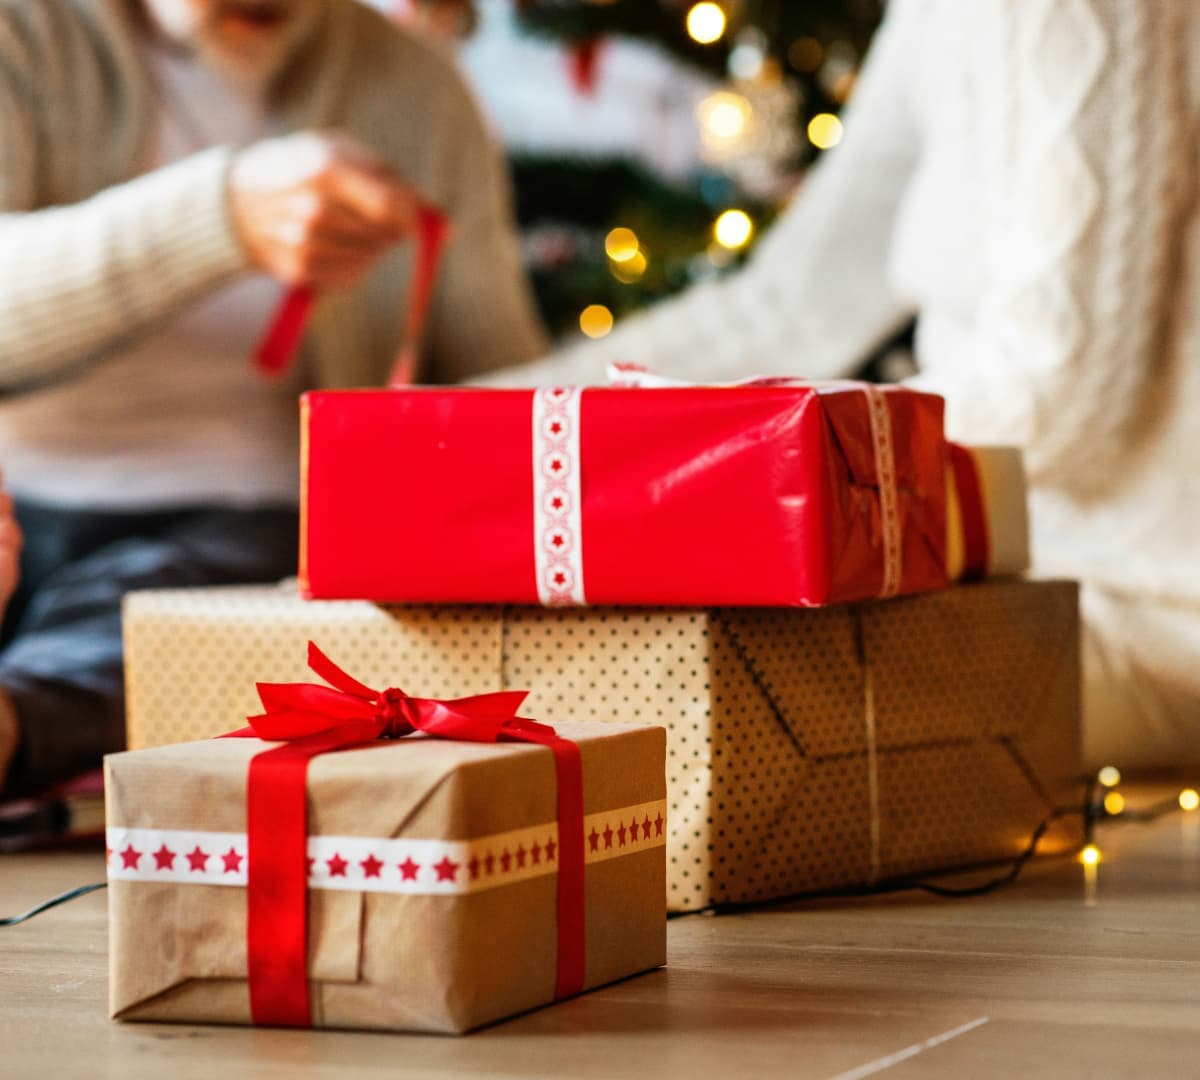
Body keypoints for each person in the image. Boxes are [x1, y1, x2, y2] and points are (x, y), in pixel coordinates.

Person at [480, 0, 1200, 772]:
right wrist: (477, 421)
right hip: (1007, 588)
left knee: (644, 698)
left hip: (1144, 612)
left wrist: (718, 461)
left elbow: (1053, 399)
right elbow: (793, 299)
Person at [0, 0, 547, 796]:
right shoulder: (23, 32)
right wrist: (216, 219)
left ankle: (16, 722)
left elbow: (497, 374)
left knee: (207, 621)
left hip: (251, 526)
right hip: (21, 498)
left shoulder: (417, 90)